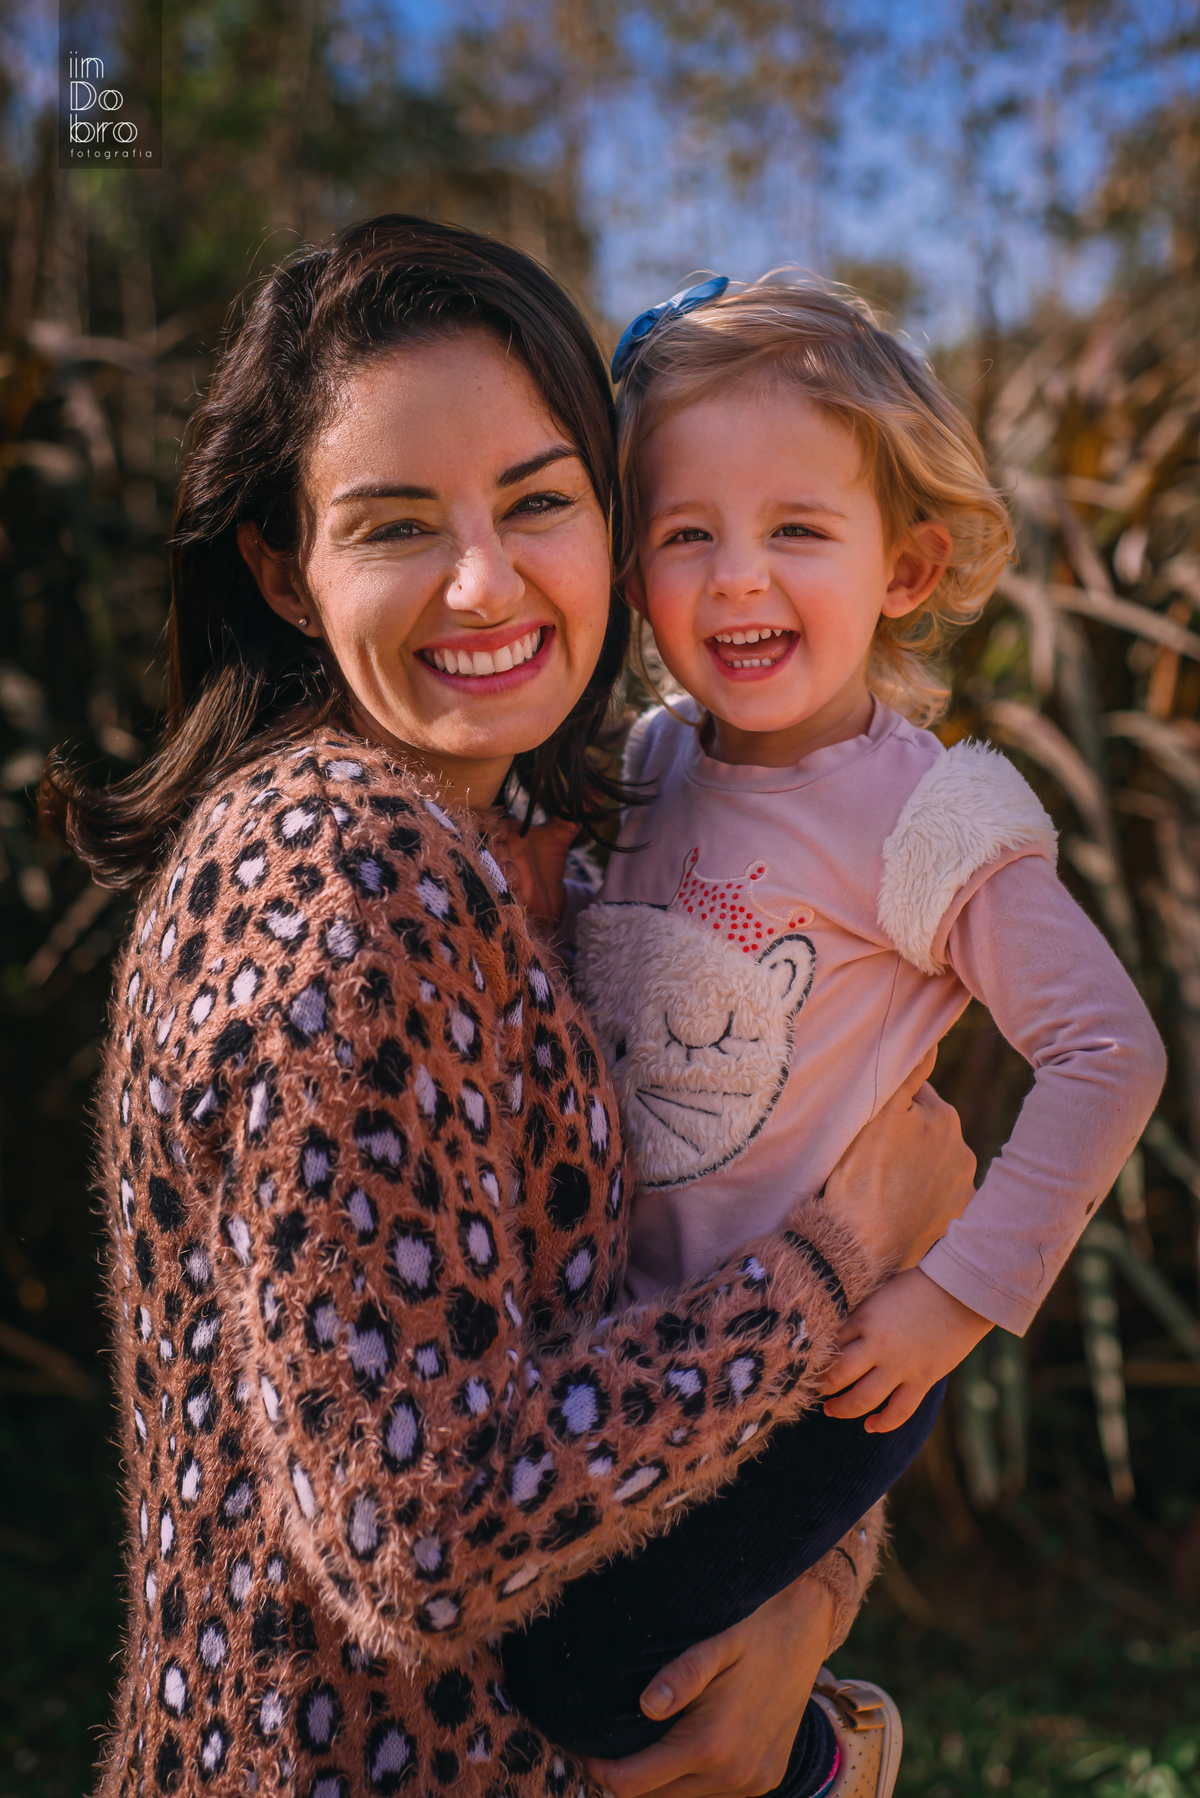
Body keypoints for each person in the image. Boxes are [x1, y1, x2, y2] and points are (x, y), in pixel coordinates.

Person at [41, 220, 974, 1798]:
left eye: (540, 501)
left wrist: (804, 1598)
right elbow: (427, 1537)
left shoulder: (505, 864)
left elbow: (644, 1312)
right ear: (284, 571)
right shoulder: (344, 879)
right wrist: (838, 1260)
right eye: (397, 523)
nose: (485, 581)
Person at [496, 280, 1166, 1762]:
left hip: (828, 1370)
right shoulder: (649, 762)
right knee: (552, 1673)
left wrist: (955, 1300)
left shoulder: (927, 813)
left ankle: (827, 1765)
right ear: (632, 567)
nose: (739, 578)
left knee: (601, 1681)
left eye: (798, 528)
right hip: (641, 1357)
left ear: (905, 564)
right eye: (688, 533)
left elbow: (1109, 1052)